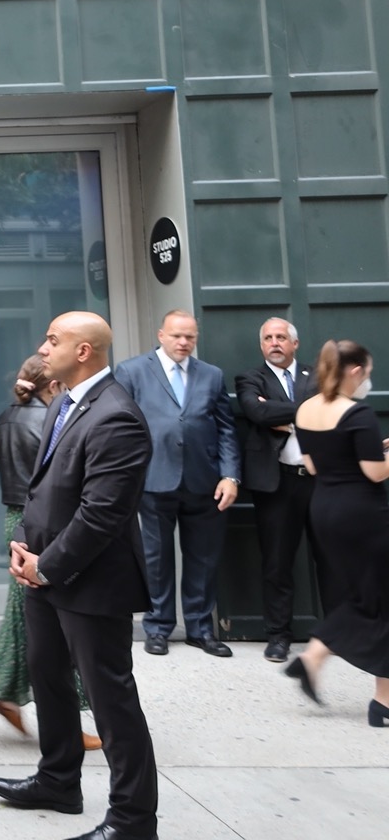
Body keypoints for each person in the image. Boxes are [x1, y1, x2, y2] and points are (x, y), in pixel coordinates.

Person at [0, 311, 159, 840]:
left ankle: (133, 821)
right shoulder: (64, 402)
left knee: (111, 701)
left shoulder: (117, 416)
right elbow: (44, 489)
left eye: (53, 340)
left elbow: (102, 514)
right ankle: (58, 781)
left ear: (83, 351)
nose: (43, 349)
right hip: (44, 574)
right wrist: (26, 546)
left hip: (91, 581)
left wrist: (47, 566)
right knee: (48, 676)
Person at [0, 358, 98, 747]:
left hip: (16, 519)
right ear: (52, 384)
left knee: (24, 618)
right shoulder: (48, 420)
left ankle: (10, 697)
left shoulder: (5, 417)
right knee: (54, 625)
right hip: (42, 522)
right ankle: (65, 721)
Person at [115, 309, 241, 657]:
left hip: (205, 480)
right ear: (161, 335)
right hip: (153, 478)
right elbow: (120, 427)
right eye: (177, 336)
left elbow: (226, 428)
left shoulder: (212, 375)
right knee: (156, 558)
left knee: (204, 557)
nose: (184, 342)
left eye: (190, 337)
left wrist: (230, 475)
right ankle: (158, 627)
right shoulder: (131, 371)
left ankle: (201, 629)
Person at [284, 339, 389, 727]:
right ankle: (382, 702)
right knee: (378, 599)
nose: (368, 380)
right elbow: (375, 473)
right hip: (363, 515)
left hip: (326, 510)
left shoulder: (305, 409)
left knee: (368, 595)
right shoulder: (357, 413)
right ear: (356, 371)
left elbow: (314, 466)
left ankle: (314, 657)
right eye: (368, 372)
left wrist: (374, 450)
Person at [235, 317, 322, 663]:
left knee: (331, 558)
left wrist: (281, 415)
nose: (275, 342)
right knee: (276, 562)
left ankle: (339, 635)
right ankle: (278, 636)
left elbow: (331, 410)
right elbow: (256, 411)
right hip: (276, 484)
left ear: (294, 343)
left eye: (281, 337)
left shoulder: (317, 376)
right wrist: (307, 411)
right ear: (262, 345)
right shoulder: (250, 378)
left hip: (318, 481)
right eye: (269, 338)